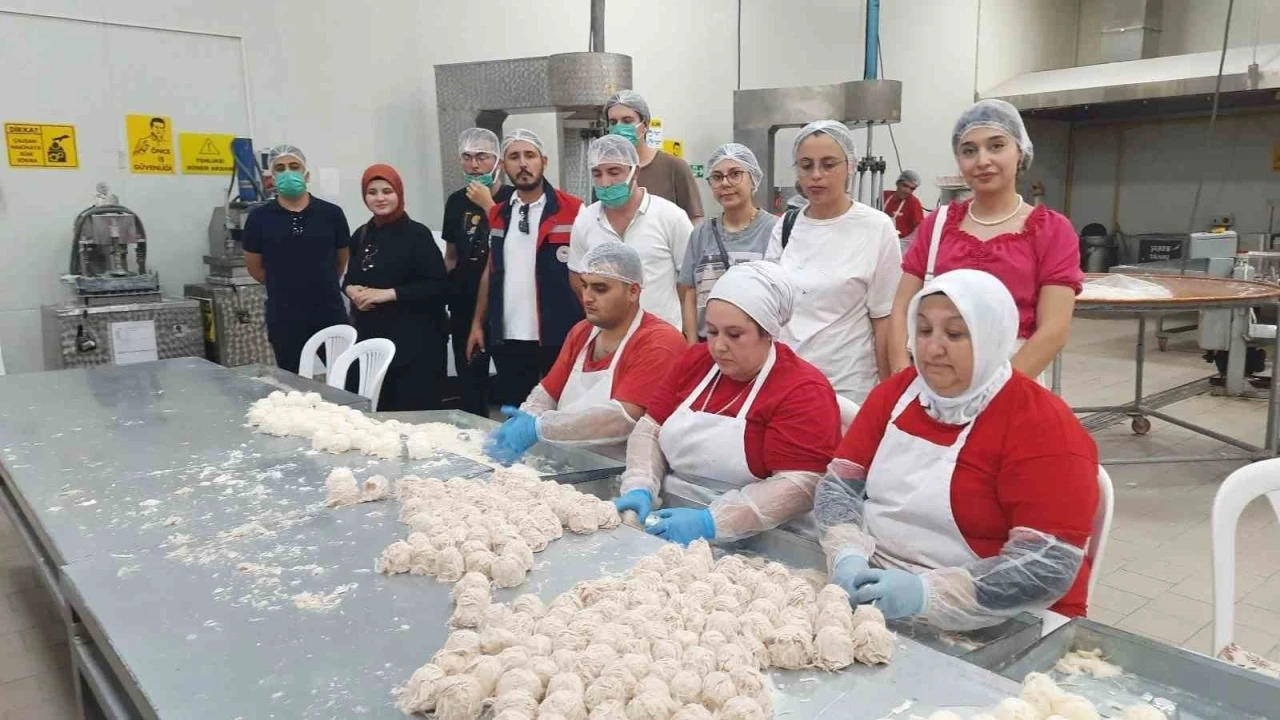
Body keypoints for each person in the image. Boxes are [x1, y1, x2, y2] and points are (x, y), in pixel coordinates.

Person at [815, 269, 1098, 631]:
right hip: (878, 577)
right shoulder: (897, 394)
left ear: (991, 337)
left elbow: (1045, 566)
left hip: (997, 611)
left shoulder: (1043, 426)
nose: (932, 350)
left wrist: (925, 593)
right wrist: (847, 553)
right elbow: (840, 487)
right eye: (923, 330)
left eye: (954, 334)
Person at [613, 262, 841, 546]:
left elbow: (799, 485)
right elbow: (650, 430)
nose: (718, 346)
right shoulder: (695, 363)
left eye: (734, 335)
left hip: (764, 538)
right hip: (669, 517)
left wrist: (711, 522)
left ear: (768, 333)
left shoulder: (803, 390)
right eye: (711, 331)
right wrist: (641, 485)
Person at [889, 100, 1083, 383]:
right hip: (934, 379)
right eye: (969, 151)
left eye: (996, 146)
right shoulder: (938, 226)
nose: (982, 161)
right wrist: (901, 377)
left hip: (1016, 379)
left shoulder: (1051, 230)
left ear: (1020, 151)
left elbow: (1054, 330)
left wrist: (995, 394)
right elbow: (901, 308)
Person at [485, 242, 688, 463]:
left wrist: (540, 427)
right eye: (584, 286)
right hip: (571, 464)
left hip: (627, 470)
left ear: (633, 291)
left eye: (600, 289)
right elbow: (545, 396)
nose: (587, 297)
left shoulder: (660, 341)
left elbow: (621, 420)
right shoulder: (581, 332)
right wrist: (524, 420)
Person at [764, 121, 902, 404]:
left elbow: (884, 318)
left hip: (848, 386)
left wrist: (887, 394)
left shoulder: (876, 227)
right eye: (806, 166)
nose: (816, 175)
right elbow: (769, 304)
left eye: (828, 165)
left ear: (850, 166)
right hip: (788, 382)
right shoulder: (786, 226)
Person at [467, 129, 585, 406]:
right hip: (509, 338)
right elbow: (490, 271)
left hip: (560, 333)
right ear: (503, 165)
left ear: (544, 161)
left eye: (529, 155)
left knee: (564, 412)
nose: (522, 164)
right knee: (516, 413)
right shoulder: (498, 214)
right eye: (514, 157)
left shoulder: (574, 210)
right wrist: (477, 324)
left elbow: (587, 273)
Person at [342, 164, 448, 411]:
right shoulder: (361, 235)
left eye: (387, 191)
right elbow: (349, 278)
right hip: (372, 341)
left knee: (414, 415)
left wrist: (388, 294)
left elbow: (438, 286)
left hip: (416, 344)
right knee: (375, 413)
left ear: (399, 193)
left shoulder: (417, 235)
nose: (380, 198)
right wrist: (351, 291)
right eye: (372, 192)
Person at [568, 135, 693, 335]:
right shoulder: (585, 220)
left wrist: (687, 337)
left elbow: (688, 283)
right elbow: (577, 275)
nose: (605, 182)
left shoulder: (671, 217)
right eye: (597, 173)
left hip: (661, 338)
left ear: (636, 172)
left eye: (614, 172)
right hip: (606, 337)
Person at [243, 144, 351, 374]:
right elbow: (255, 268)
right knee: (293, 382)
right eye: (280, 168)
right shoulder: (259, 218)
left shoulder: (331, 214)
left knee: (344, 377)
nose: (288, 172)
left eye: (294, 166)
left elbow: (341, 261)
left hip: (329, 311)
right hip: (285, 316)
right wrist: (285, 284)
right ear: (272, 177)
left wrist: (320, 281)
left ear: (306, 174)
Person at [679, 143, 779, 344]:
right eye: (717, 177)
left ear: (753, 179)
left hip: (758, 346)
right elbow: (689, 291)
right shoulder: (701, 234)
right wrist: (691, 345)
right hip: (708, 344)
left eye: (735, 174)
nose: (725, 183)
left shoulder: (775, 230)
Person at [442, 128, 511, 415]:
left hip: (504, 304)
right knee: (470, 383)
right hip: (464, 303)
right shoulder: (455, 201)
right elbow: (451, 256)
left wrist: (488, 206)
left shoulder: (514, 199)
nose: (474, 165)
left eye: (482, 157)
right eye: (467, 157)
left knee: (512, 383)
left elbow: (514, 245)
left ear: (498, 162)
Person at [605, 90, 704, 223]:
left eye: (627, 121)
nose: (619, 128)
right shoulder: (605, 171)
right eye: (613, 122)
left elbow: (695, 220)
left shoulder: (674, 167)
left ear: (645, 125)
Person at [883, 169, 924, 239]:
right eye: (905, 186)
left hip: (901, 242)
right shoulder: (884, 196)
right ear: (897, 183)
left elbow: (920, 228)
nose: (907, 191)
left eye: (912, 189)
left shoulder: (914, 203)